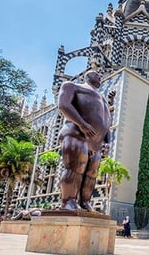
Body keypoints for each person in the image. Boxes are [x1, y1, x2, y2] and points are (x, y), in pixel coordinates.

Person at [57, 70, 115, 211]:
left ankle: (85, 202)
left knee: (91, 174)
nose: (100, 76)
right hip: (76, 133)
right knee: (75, 167)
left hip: (96, 143)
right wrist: (82, 124)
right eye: (96, 74)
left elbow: (106, 120)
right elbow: (64, 105)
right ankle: (68, 201)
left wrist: (105, 141)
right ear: (87, 76)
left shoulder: (102, 98)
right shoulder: (72, 86)